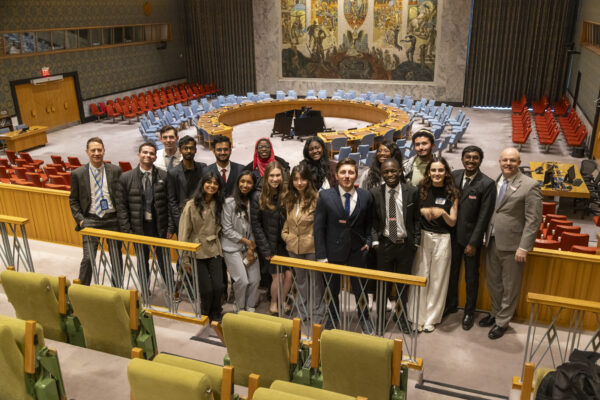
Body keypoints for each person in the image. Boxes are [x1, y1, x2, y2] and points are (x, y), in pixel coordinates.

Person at [481, 147, 542, 340]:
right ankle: (495, 313)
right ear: (499, 161)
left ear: (519, 162)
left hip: (513, 245)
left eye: (512, 160)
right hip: (490, 241)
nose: (508, 163)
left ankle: (502, 322)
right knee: (493, 283)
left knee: (510, 286)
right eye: (505, 160)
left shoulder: (530, 185)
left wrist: (524, 246)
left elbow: (533, 219)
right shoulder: (496, 181)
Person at [314, 158, 374, 334]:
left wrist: (368, 242)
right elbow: (319, 228)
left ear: (356, 175)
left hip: (357, 251)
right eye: (343, 172)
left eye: (351, 172)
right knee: (332, 290)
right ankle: (333, 318)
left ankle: (364, 319)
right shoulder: (325, 196)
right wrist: (321, 255)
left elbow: (369, 224)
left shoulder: (365, 196)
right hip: (333, 252)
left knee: (360, 289)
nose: (347, 176)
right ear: (336, 175)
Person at [444, 146, 495, 331]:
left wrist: (474, 242)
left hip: (470, 240)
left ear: (480, 160)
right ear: (462, 159)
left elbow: (484, 216)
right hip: (452, 237)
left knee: (471, 278)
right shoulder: (455, 175)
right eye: (467, 157)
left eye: (474, 158)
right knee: (452, 273)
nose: (470, 161)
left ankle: (468, 312)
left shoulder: (487, 184)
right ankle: (451, 305)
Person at [115, 142, 173, 294]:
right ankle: (145, 290)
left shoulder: (164, 176)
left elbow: (169, 203)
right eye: (145, 152)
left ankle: (172, 289)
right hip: (139, 227)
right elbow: (121, 206)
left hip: (159, 225)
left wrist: (170, 228)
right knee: (142, 261)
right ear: (138, 155)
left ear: (155, 157)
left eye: (151, 153)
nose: (148, 155)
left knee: (164, 260)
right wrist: (127, 230)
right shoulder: (126, 178)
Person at [408, 157, 458, 333]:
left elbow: (452, 222)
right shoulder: (420, 189)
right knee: (420, 276)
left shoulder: (452, 192)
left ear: (446, 172)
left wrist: (442, 212)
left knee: (438, 279)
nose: (437, 174)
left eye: (441, 170)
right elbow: (412, 212)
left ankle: (430, 318)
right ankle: (416, 317)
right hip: (423, 237)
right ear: (429, 172)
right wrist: (423, 211)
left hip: (443, 239)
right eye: (434, 170)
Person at [370, 158, 420, 332]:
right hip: (384, 245)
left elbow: (416, 219)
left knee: (402, 285)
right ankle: (381, 318)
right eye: (386, 172)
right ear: (382, 174)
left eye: (393, 171)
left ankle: (401, 316)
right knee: (382, 284)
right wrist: (375, 242)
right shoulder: (376, 192)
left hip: (405, 245)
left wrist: (415, 242)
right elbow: (373, 220)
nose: (390, 175)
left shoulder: (412, 192)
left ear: (400, 171)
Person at [69, 137, 122, 286]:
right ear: (87, 152)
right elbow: (73, 200)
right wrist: (80, 220)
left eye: (99, 150)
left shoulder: (116, 170)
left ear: (104, 151)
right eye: (93, 150)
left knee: (116, 258)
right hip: (90, 220)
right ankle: (81, 290)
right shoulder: (78, 174)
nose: (97, 153)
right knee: (88, 258)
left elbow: (121, 196)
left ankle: (117, 290)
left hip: (112, 219)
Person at [178, 171, 225, 322]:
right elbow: (184, 233)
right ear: (202, 184)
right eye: (209, 182)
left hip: (214, 249)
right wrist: (184, 259)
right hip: (196, 251)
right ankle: (206, 314)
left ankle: (217, 312)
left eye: (215, 183)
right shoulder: (191, 205)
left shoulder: (219, 203)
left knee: (218, 285)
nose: (212, 186)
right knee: (206, 289)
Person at [281, 163, 324, 322]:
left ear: (309, 180)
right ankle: (303, 310)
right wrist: (286, 236)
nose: (299, 183)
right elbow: (288, 221)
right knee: (300, 281)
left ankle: (318, 312)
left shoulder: (317, 198)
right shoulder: (289, 198)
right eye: (296, 179)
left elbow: (321, 224)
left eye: (303, 179)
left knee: (315, 282)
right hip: (294, 246)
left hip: (312, 247)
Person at [250, 161, 291, 314]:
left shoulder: (287, 193)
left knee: (288, 277)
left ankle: (283, 300)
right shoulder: (258, 196)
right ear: (266, 177)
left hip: (285, 244)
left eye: (278, 175)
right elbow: (256, 225)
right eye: (272, 176)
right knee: (277, 277)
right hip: (269, 245)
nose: (275, 179)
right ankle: (273, 302)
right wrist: (266, 249)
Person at [221, 171, 260, 313]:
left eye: (249, 182)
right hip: (232, 247)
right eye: (242, 181)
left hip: (251, 246)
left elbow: (256, 227)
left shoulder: (254, 202)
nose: (245, 185)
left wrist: (251, 246)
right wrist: (246, 242)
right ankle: (240, 307)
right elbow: (227, 229)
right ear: (238, 183)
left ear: (253, 185)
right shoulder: (229, 202)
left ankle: (250, 306)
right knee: (242, 280)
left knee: (255, 280)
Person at [167, 135, 206, 234]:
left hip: (202, 217)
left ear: (196, 150)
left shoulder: (203, 167)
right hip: (183, 217)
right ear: (180, 150)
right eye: (185, 148)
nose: (189, 151)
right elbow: (172, 201)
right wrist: (180, 221)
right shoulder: (173, 172)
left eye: (191, 148)